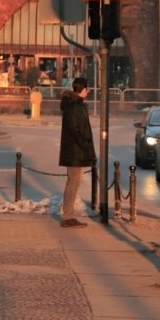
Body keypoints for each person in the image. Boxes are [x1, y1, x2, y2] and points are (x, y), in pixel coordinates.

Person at [58, 75, 96, 228]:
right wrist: (85, 144)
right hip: (75, 151)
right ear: (84, 90)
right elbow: (75, 129)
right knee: (73, 182)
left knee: (74, 182)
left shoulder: (75, 104)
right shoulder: (74, 106)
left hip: (75, 150)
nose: (88, 92)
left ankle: (69, 215)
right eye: (88, 89)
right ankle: (68, 217)